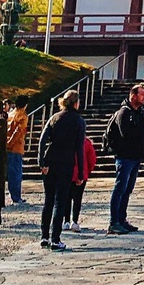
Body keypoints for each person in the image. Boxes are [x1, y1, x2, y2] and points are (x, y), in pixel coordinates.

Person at [103, 83, 144, 234]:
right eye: (142, 95)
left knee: (127, 190)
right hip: (124, 156)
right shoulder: (124, 112)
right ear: (133, 95)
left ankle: (122, 219)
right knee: (120, 189)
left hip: (135, 156)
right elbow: (126, 134)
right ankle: (114, 222)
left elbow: (140, 134)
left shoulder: (138, 113)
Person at [36, 90, 87, 251]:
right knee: (60, 201)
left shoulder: (54, 118)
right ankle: (55, 238)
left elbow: (42, 140)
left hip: (50, 161)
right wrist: (80, 174)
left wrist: (41, 162)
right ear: (76, 103)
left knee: (48, 200)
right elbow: (80, 148)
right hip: (66, 163)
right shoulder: (79, 121)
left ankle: (44, 236)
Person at [66, 129, 97, 232]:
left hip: (67, 173)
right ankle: (74, 221)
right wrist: (87, 171)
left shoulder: (67, 141)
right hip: (80, 174)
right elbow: (92, 160)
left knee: (66, 198)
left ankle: (65, 221)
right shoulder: (86, 143)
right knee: (77, 199)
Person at [4, 99, 31, 205]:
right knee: (16, 173)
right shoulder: (22, 116)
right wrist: (11, 143)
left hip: (7, 146)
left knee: (11, 172)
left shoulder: (11, 114)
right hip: (16, 147)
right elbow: (19, 131)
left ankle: (13, 195)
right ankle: (16, 196)